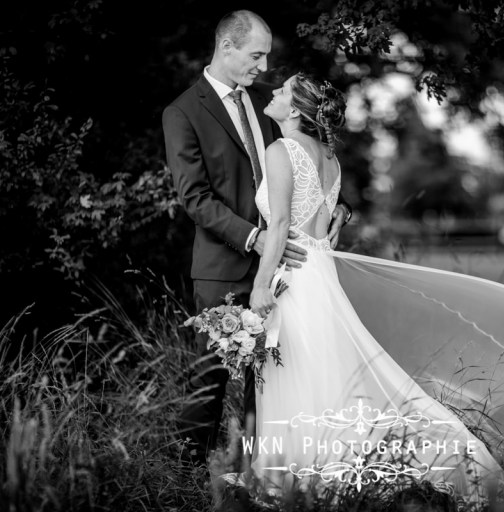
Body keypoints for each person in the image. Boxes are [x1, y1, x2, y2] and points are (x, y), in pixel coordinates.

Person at [224, 72, 504, 502]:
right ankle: (316, 472)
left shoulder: (282, 150)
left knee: (299, 369)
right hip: (320, 272)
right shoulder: (330, 158)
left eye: (281, 91)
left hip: (293, 278)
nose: (273, 93)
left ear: (295, 109)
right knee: (323, 367)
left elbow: (279, 225)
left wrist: (261, 287)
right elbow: (323, 224)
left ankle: (299, 477)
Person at [162, 10, 353, 468]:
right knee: (209, 378)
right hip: (224, 265)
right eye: (256, 55)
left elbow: (307, 171)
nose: (264, 67)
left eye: (266, 56)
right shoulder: (184, 111)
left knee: (269, 381)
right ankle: (189, 474)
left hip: (286, 271)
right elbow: (195, 198)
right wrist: (256, 237)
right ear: (227, 46)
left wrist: (339, 210)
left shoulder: (271, 103)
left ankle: (257, 469)